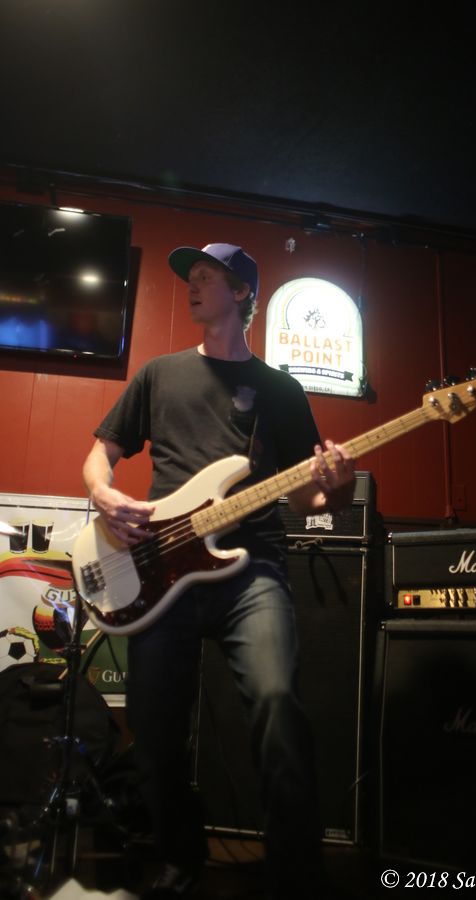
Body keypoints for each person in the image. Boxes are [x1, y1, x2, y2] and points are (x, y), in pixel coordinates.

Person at [82, 242, 356, 900]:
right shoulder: (159, 373)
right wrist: (104, 495)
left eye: (207, 277)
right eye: (191, 277)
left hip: (250, 568)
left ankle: (296, 874)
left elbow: (305, 499)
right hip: (158, 569)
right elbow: (101, 453)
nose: (193, 285)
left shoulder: (281, 391)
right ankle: (180, 855)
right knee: (154, 726)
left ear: (241, 293)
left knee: (276, 702)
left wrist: (338, 486)